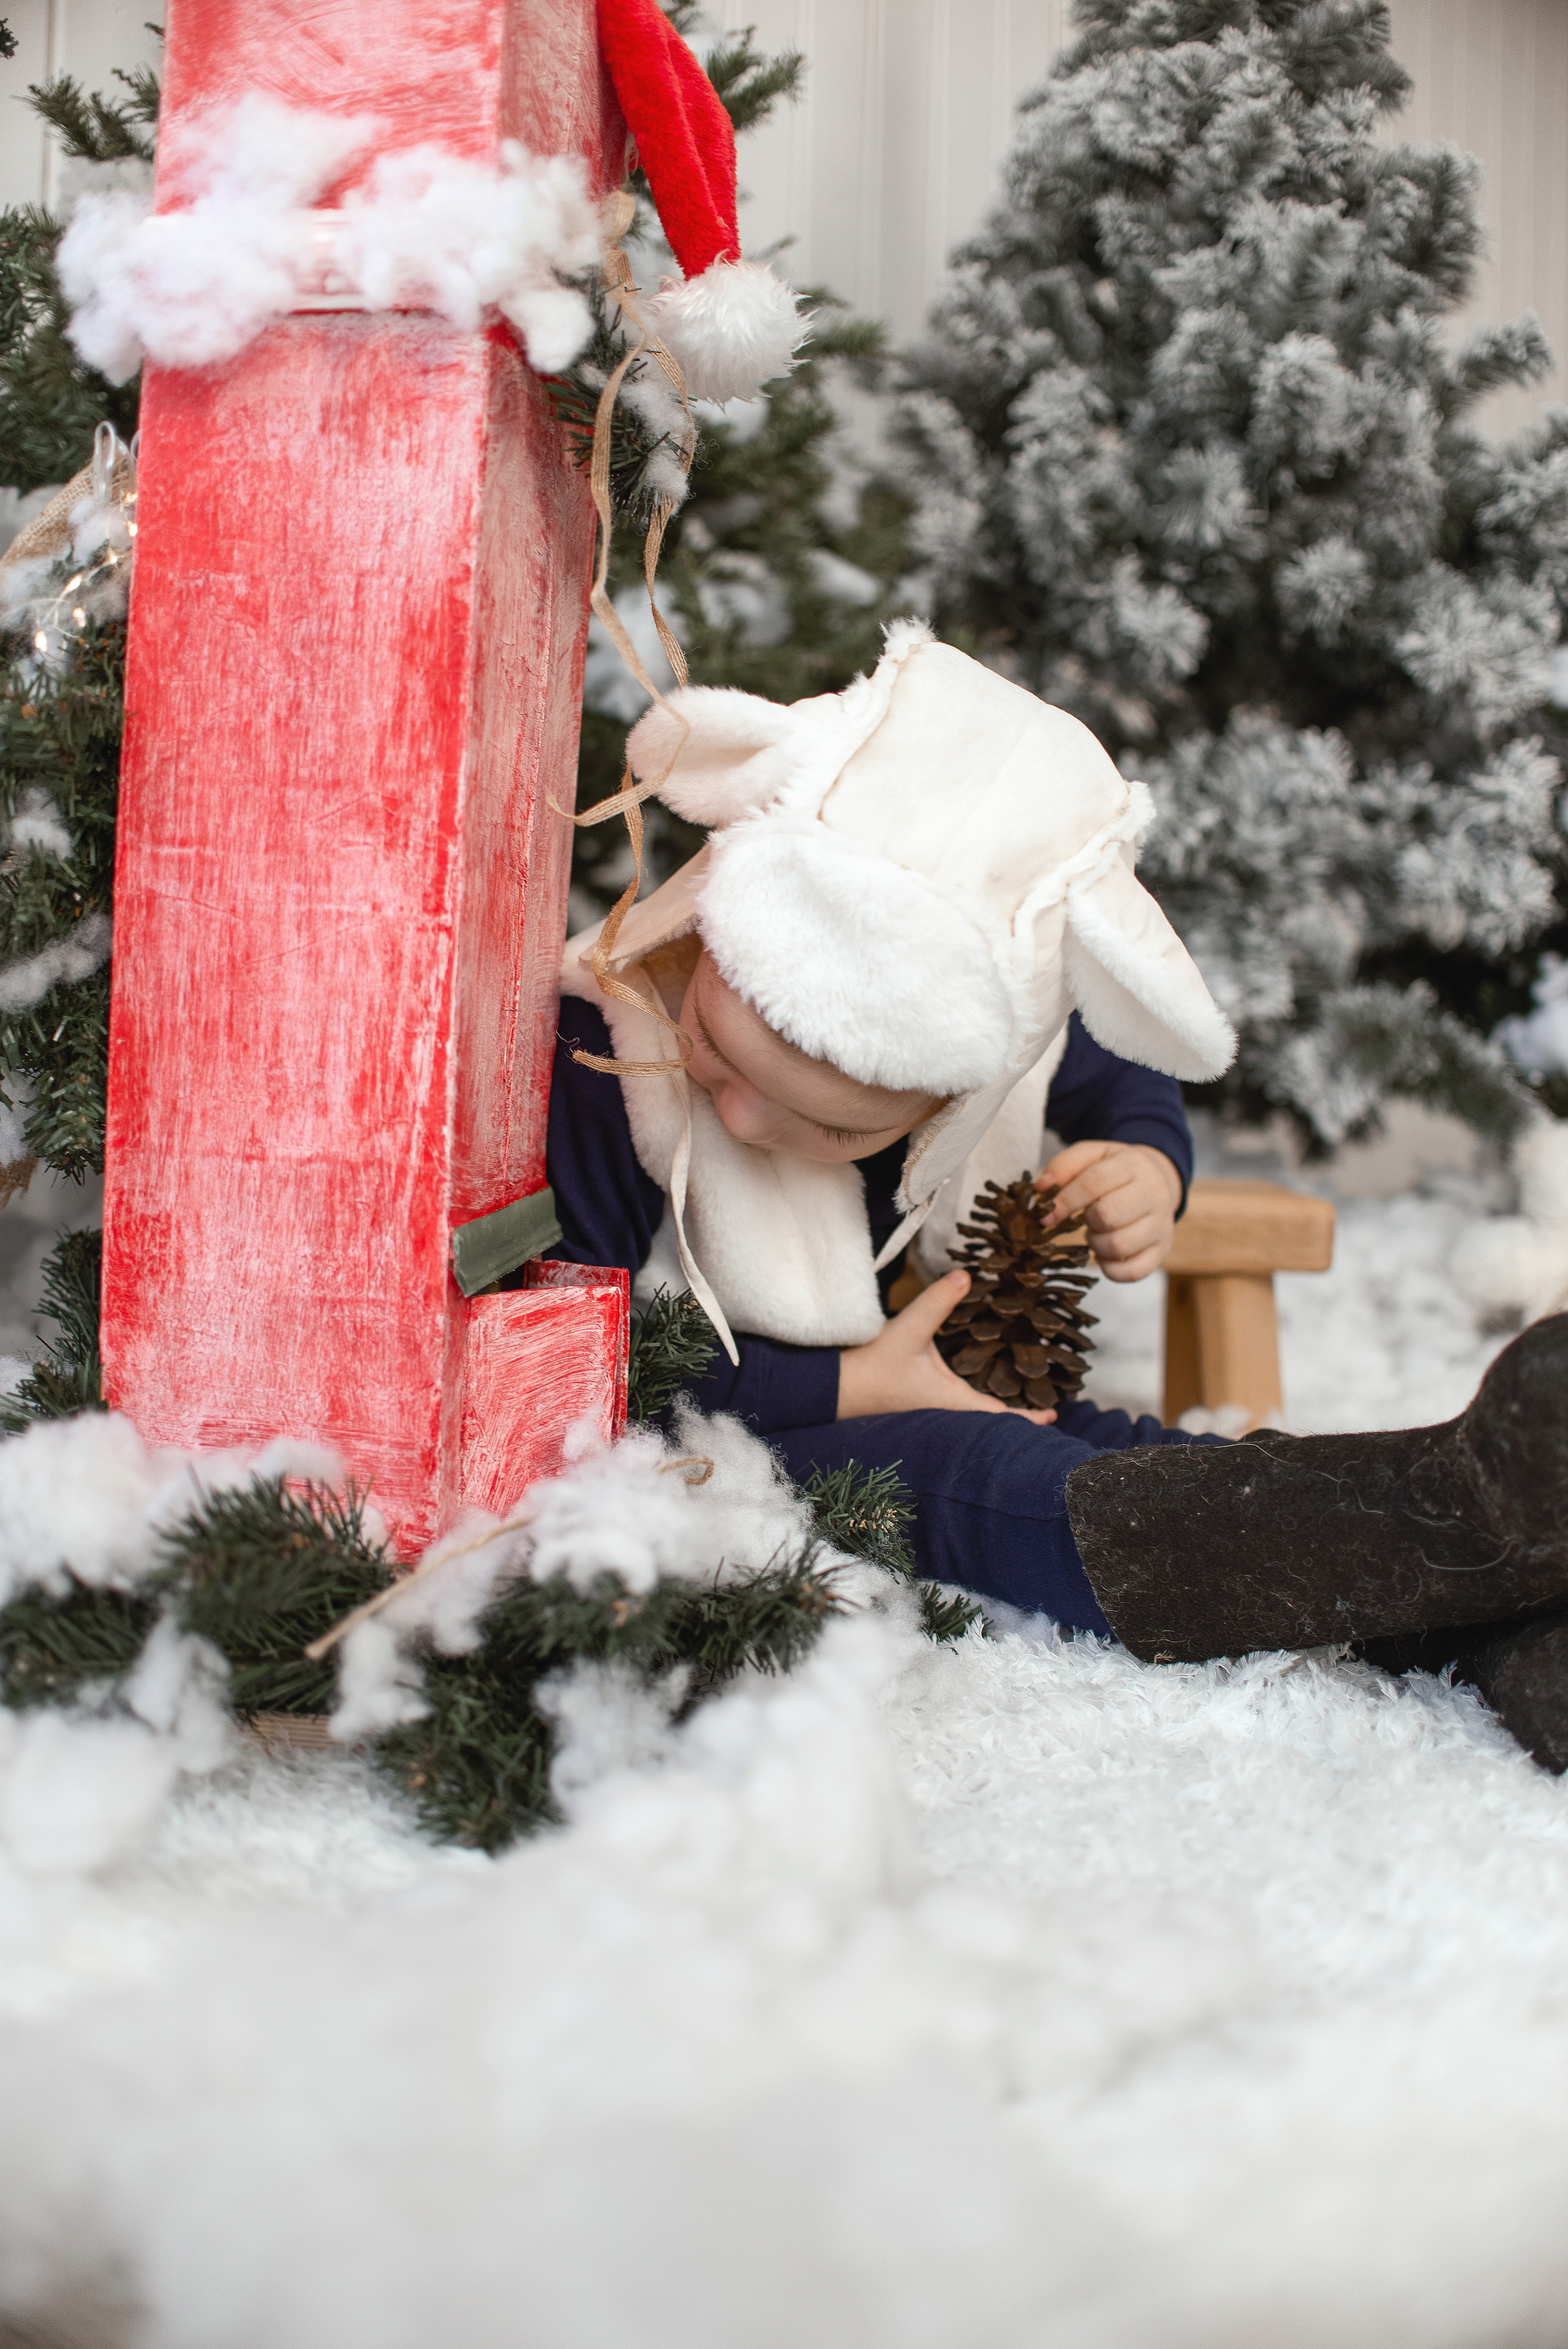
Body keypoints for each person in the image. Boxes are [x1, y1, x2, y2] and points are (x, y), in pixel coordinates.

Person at [546, 623, 1568, 1769]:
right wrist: (850, 1382)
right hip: (743, 1440)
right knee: (985, 1482)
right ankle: (1447, 1512)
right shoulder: (609, 1056)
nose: (739, 1120)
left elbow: (1116, 1068)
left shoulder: (984, 1031)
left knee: (1135, 1456)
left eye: (836, 1126)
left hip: (961, 1369)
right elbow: (571, 1361)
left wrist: (1149, 1163)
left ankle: (1499, 1641)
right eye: (717, 1054)